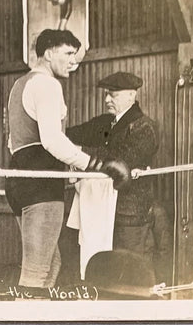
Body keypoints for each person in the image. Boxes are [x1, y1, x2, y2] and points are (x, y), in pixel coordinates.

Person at [5, 29, 131, 296]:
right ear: (49, 53)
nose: (73, 61)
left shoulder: (20, 85)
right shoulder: (48, 85)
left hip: (19, 178)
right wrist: (93, 164)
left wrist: (69, 169)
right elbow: (51, 140)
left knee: (51, 266)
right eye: (68, 53)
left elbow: (14, 143)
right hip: (40, 182)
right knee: (37, 271)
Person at [66, 71, 172, 285]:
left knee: (131, 278)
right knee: (107, 277)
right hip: (101, 213)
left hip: (130, 216)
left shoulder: (145, 128)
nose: (106, 100)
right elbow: (69, 134)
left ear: (131, 96)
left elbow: (121, 160)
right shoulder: (105, 123)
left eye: (112, 95)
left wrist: (78, 152)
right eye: (106, 94)